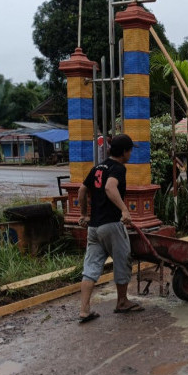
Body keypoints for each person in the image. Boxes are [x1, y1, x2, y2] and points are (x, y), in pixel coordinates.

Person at [77, 134, 144, 323]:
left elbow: (82, 189)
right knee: (123, 260)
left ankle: (84, 309)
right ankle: (122, 302)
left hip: (94, 228)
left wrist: (83, 215)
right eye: (130, 150)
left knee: (90, 268)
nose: (130, 154)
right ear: (123, 152)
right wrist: (124, 210)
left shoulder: (98, 167)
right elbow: (110, 187)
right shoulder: (118, 168)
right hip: (112, 225)